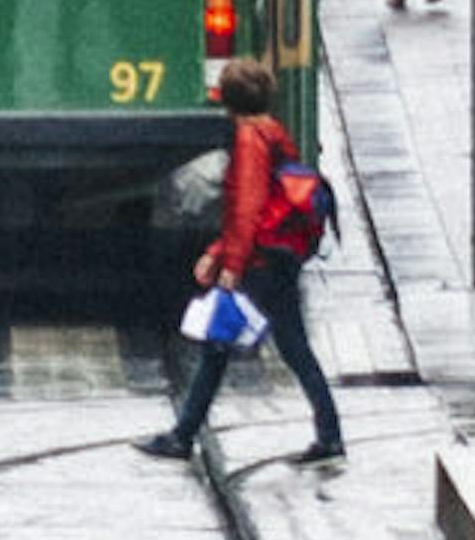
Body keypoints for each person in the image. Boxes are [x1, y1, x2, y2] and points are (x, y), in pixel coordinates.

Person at [142, 58, 342, 467]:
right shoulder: (272, 131)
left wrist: (230, 264)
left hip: (260, 259)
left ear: (226, 99)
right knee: (289, 345)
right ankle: (329, 434)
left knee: (221, 346)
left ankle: (182, 436)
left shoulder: (249, 139)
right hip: (277, 253)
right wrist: (217, 253)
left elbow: (246, 207)